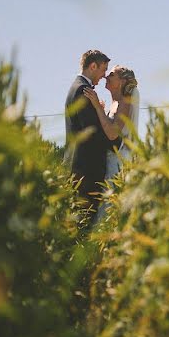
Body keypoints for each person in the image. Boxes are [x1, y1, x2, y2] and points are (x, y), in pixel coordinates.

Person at [63, 49, 111, 218]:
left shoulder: (77, 88)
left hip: (79, 169)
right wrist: (114, 141)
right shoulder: (83, 91)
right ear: (92, 66)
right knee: (85, 223)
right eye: (103, 69)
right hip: (86, 171)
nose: (104, 75)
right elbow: (91, 133)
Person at [82, 65, 139, 180]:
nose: (106, 77)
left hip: (118, 164)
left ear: (122, 81)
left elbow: (113, 133)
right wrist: (102, 111)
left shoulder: (125, 102)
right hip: (109, 160)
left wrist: (97, 107)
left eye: (112, 75)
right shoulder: (115, 103)